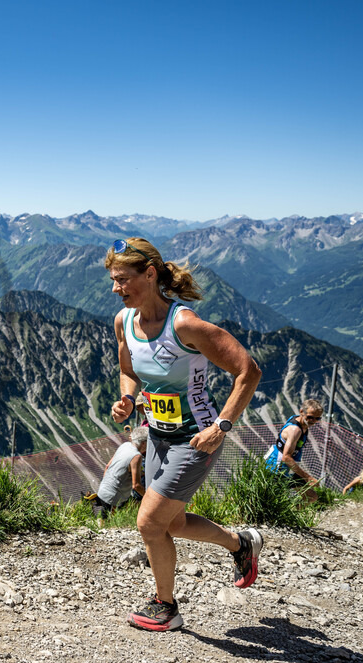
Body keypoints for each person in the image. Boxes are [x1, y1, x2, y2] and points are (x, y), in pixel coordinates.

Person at [106, 236, 263, 632]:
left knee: (149, 523)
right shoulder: (123, 321)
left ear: (150, 274)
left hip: (195, 438)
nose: (115, 288)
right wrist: (127, 399)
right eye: (113, 279)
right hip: (157, 434)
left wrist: (221, 427)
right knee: (172, 525)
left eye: (123, 279)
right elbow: (128, 369)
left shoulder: (184, 324)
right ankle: (241, 543)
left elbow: (249, 371)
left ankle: (166, 605)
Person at [264, 400, 324, 503]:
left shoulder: (300, 421)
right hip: (277, 466)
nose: (313, 421)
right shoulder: (295, 430)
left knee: (311, 497)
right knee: (270, 500)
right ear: (302, 412)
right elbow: (286, 457)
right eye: (310, 417)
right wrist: (308, 477)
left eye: (317, 418)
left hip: (287, 467)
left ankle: (288, 516)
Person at [93, 426, 149, 517]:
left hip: (103, 489)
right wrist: (149, 498)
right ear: (143, 443)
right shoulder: (136, 456)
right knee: (108, 523)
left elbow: (108, 466)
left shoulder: (125, 445)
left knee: (104, 516)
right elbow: (136, 486)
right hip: (114, 497)